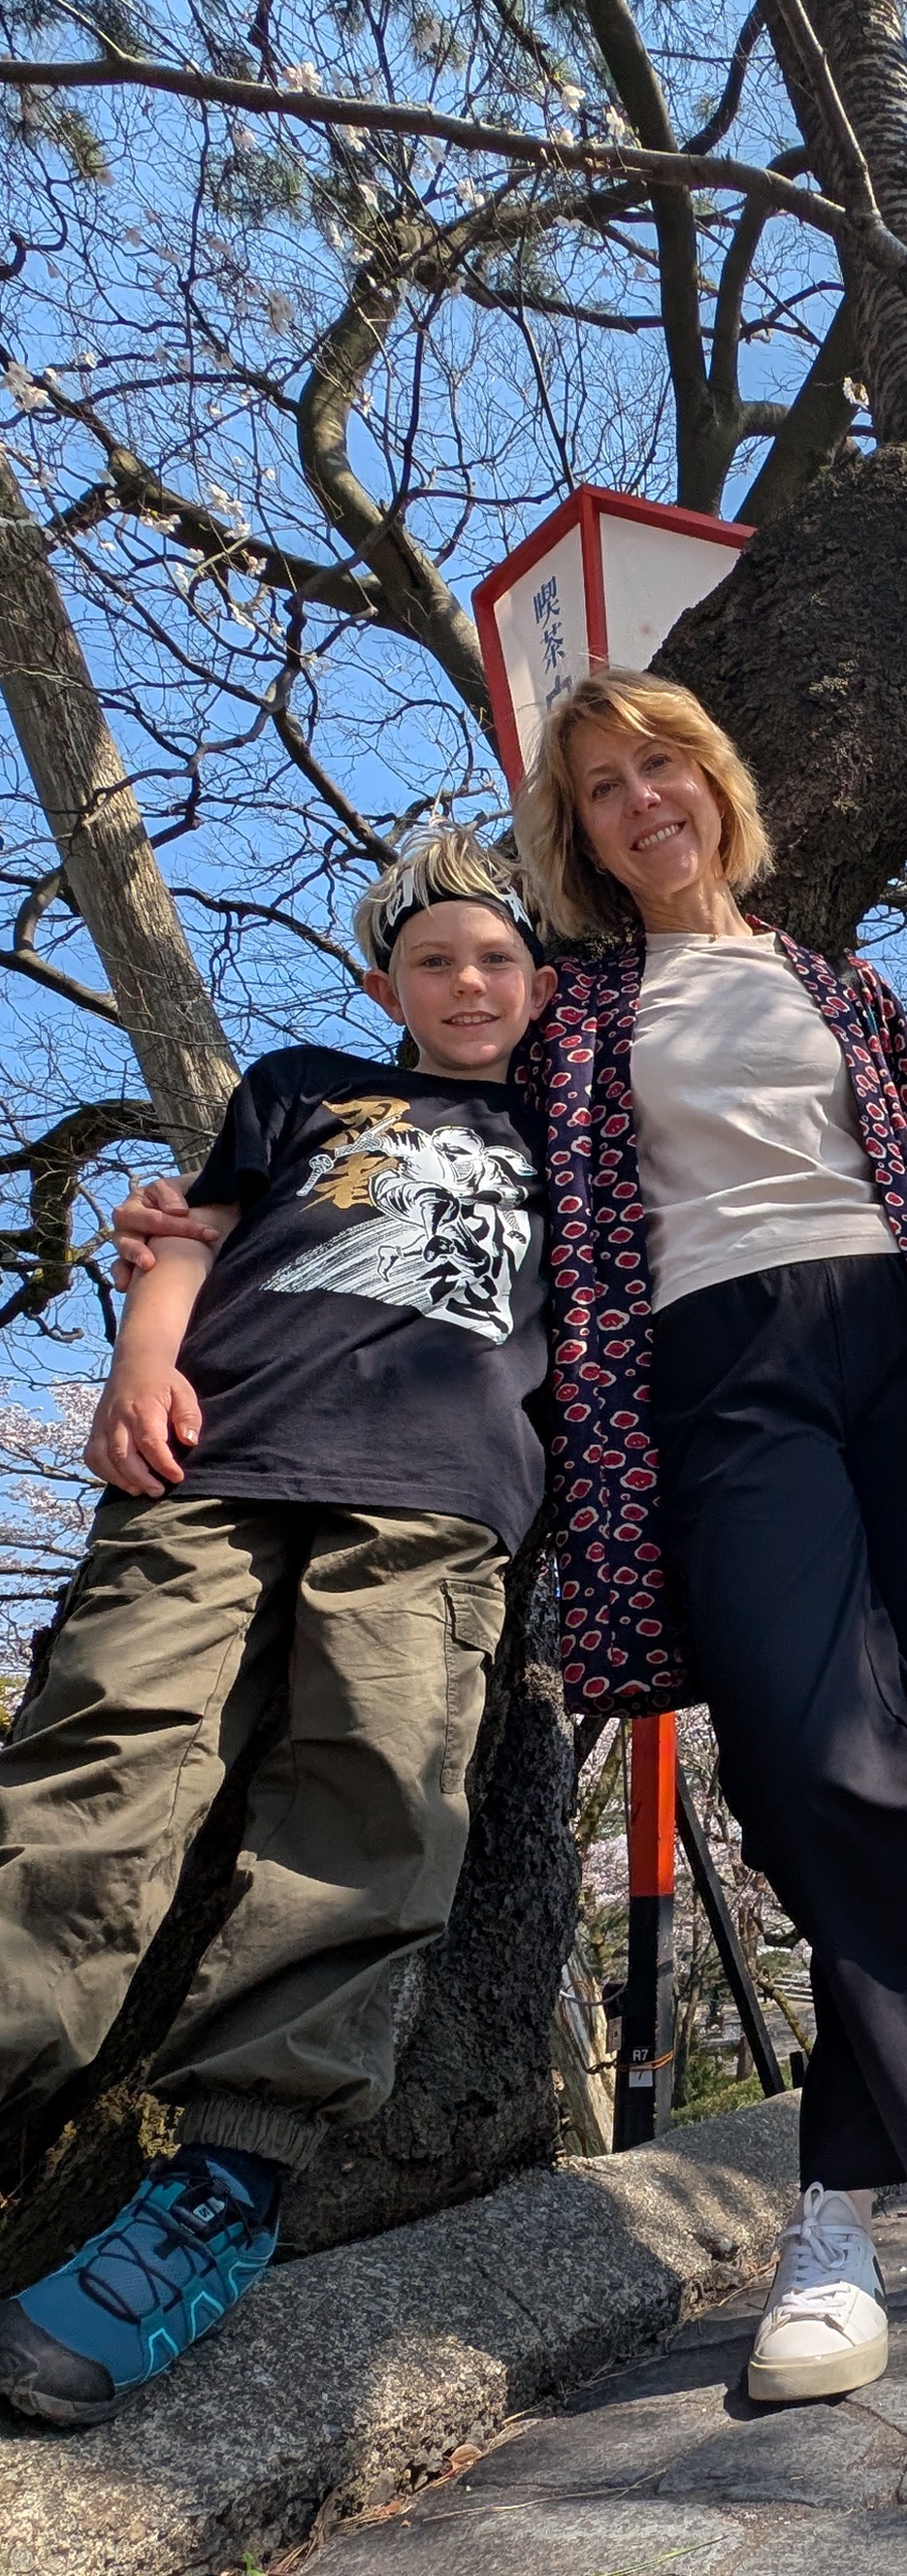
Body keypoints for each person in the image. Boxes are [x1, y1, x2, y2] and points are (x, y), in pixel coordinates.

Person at [508, 672, 907, 2406]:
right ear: (575, 836)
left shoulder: (835, 982)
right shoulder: (572, 1017)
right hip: (715, 1369)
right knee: (803, 1751)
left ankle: (835, 2217)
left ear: (716, 782)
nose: (645, 801)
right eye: (603, 786)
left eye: (665, 765)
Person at [0, 839, 554, 2428]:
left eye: (498, 959)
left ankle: (225, 2184)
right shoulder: (304, 1084)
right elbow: (187, 1229)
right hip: (215, 1458)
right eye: (435, 959)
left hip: (437, 1494)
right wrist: (139, 1358)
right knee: (95, 1761)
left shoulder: (579, 1141)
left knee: (373, 1792)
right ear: (386, 985)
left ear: (544, 984)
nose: (468, 982)